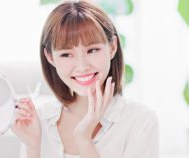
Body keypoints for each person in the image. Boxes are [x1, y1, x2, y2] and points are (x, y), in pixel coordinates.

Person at [11, 0, 159, 158]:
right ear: (50, 57)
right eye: (66, 54)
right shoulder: (39, 121)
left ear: (112, 47)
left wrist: (84, 140)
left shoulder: (140, 121)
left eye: (92, 50)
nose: (82, 66)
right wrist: (33, 147)